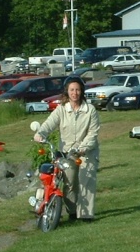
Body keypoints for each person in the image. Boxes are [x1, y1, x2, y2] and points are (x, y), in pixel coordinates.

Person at [34, 77, 101, 221]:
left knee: (85, 182)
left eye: (77, 90)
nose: (75, 93)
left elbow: (93, 133)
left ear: (82, 91)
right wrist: (40, 134)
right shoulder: (61, 109)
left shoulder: (90, 110)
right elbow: (49, 124)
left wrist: (83, 148)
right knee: (69, 183)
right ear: (67, 92)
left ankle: (86, 215)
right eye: (72, 90)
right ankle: (72, 212)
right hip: (67, 153)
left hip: (86, 151)